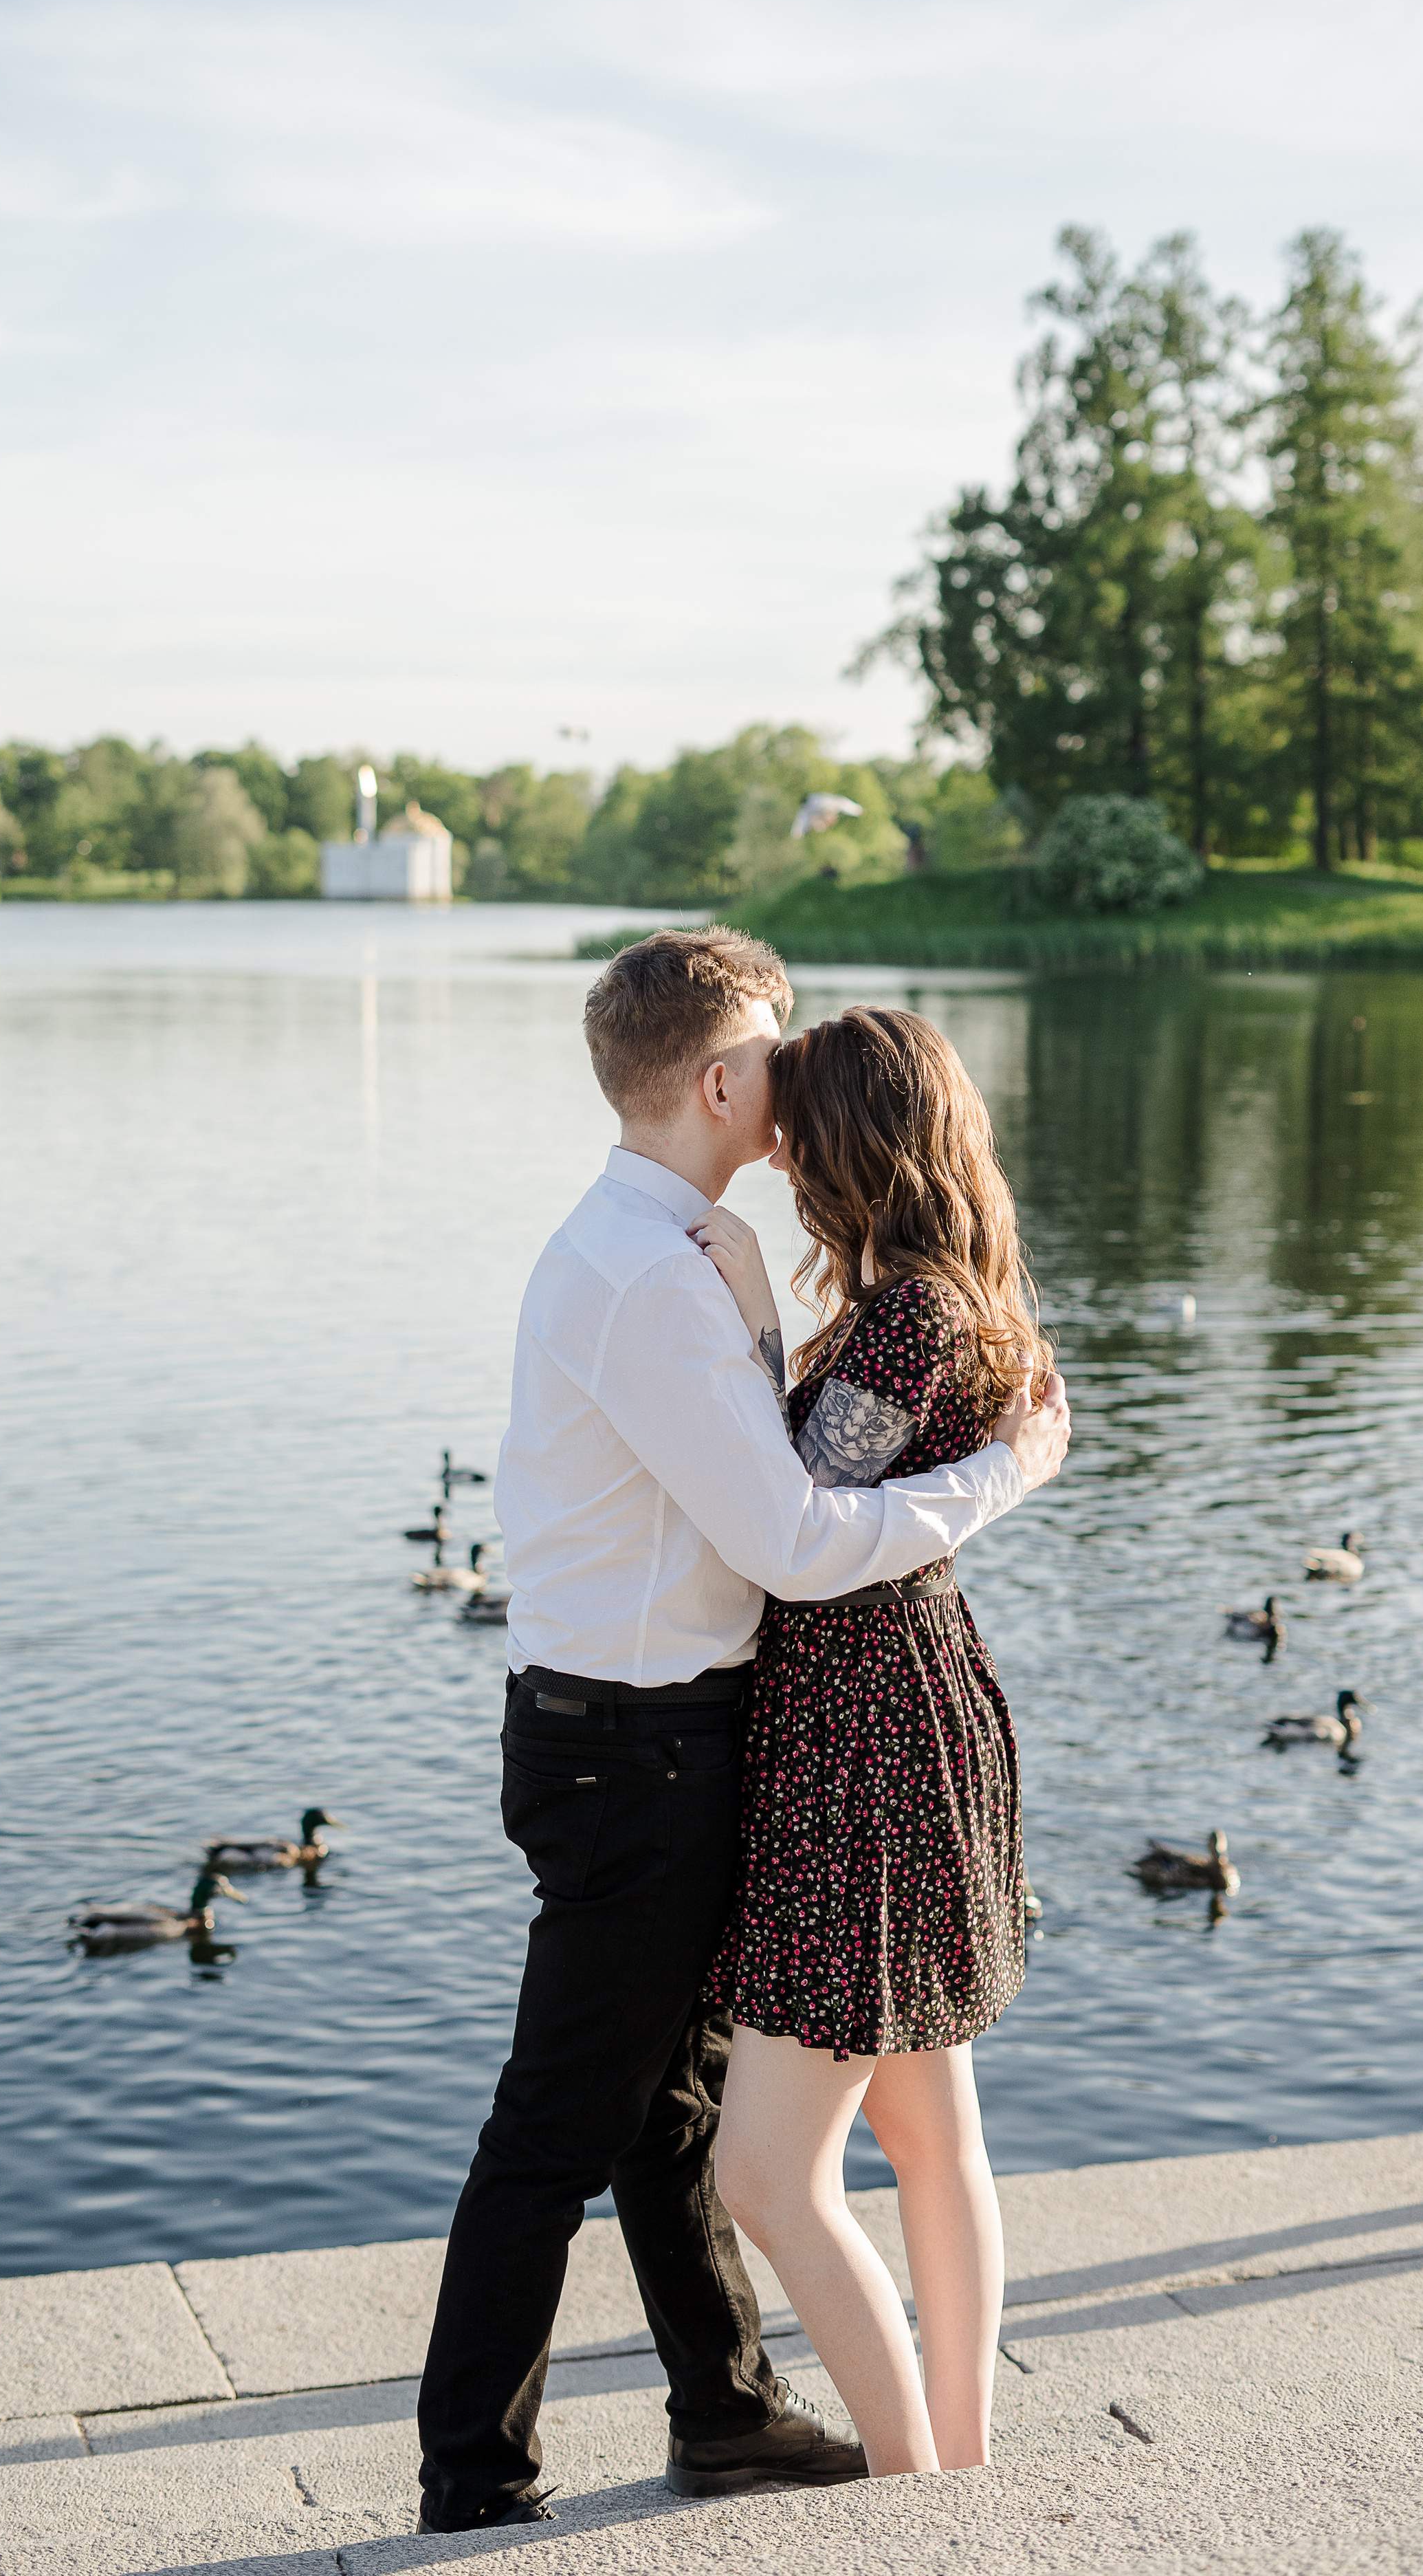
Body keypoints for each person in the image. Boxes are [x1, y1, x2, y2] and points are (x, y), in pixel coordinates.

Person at [415, 930, 1070, 2533]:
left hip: (714, 1733)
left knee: (681, 2111)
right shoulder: (649, 1274)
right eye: (772, 1056)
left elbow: (799, 1500)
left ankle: (731, 2415)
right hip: (627, 1746)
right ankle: (477, 2479)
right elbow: (790, 1535)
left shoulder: (705, 1249)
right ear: (719, 1081)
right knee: (571, 2119)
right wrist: (1001, 1475)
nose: (787, 1090)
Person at [695, 1004, 1053, 2480]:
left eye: (794, 1137)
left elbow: (793, 1514)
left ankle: (912, 2480)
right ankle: (954, 2472)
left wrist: (749, 1322)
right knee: (927, 2138)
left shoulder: (904, 1312)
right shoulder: (945, 1294)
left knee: (764, 2171)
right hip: (904, 1709)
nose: (774, 1161)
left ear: (850, 1147)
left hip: (868, 1739)